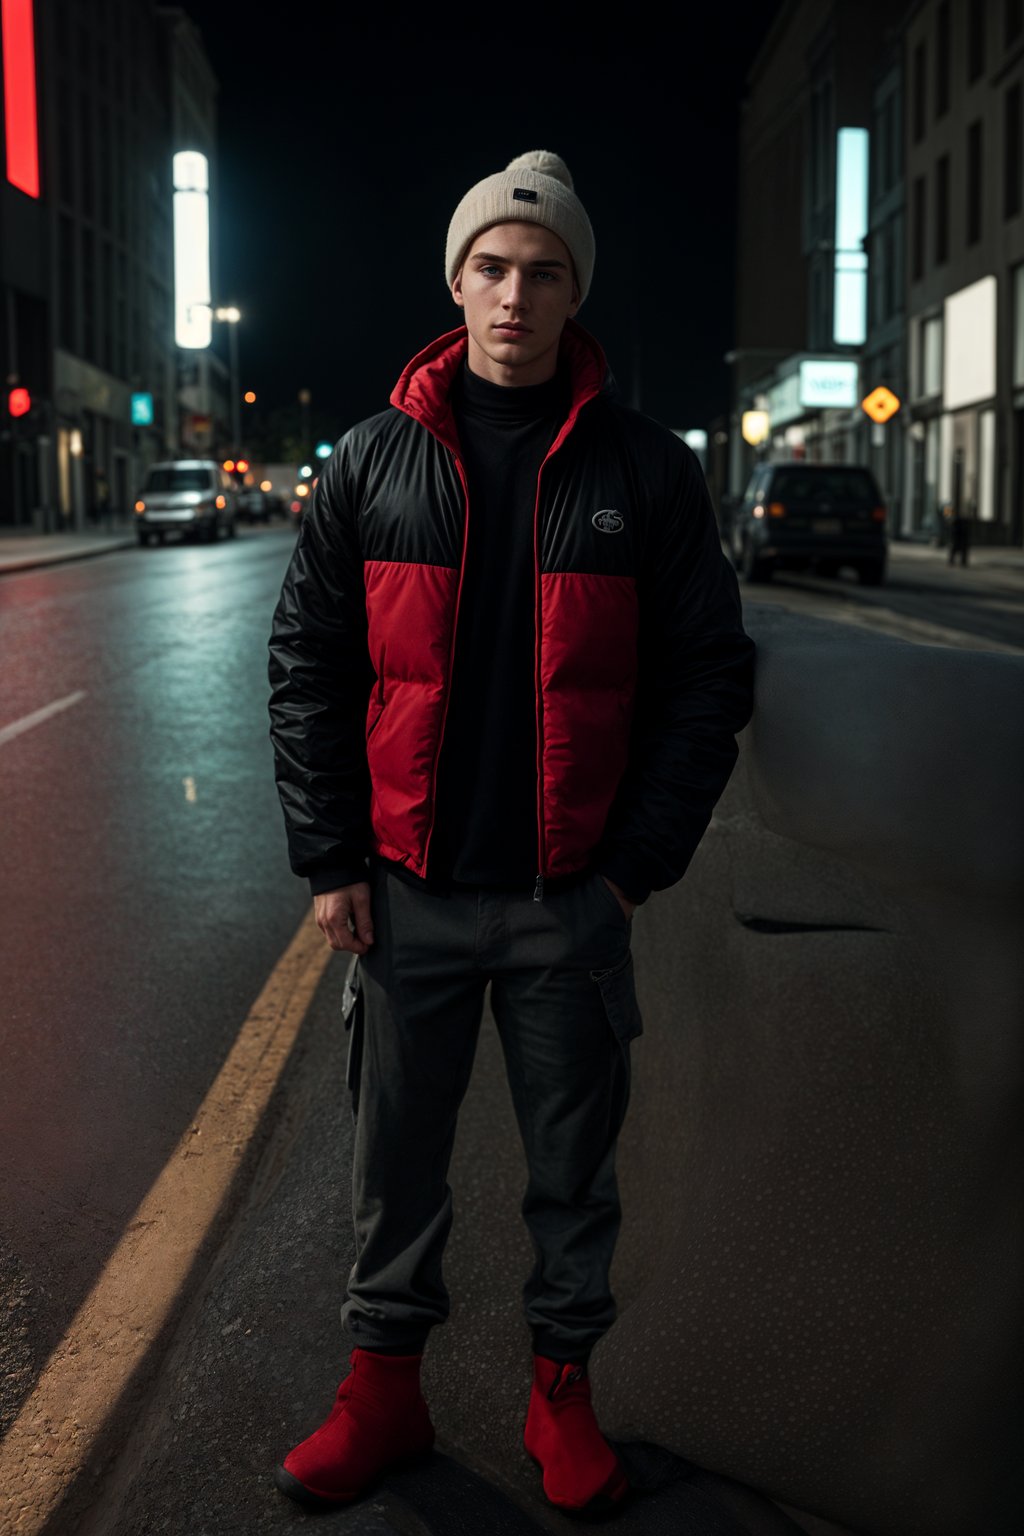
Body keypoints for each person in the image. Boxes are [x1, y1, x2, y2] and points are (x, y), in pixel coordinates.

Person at [267, 149, 756, 1516]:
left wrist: (634, 867)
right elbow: (307, 664)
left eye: (544, 273)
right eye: (491, 266)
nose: (514, 294)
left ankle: (562, 1404)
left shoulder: (646, 472)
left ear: (573, 292)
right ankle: (383, 1396)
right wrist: (329, 859)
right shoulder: (371, 463)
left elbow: (711, 675)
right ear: (457, 282)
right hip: (405, 892)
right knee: (392, 1166)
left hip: (568, 901)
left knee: (570, 1173)